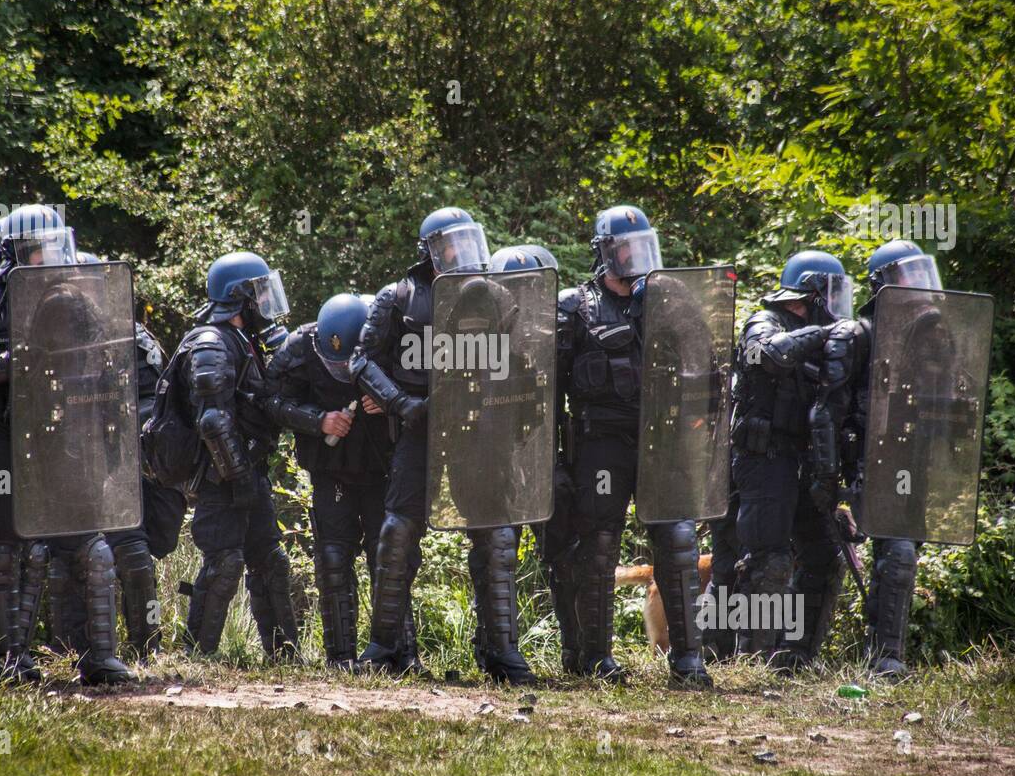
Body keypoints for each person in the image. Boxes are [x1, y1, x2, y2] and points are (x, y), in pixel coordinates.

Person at [0, 204, 132, 685]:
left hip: (65, 437)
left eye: (54, 248)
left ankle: (98, 657)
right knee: (3, 550)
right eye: (37, 251)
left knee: (91, 547)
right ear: (10, 256)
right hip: (4, 440)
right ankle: (9, 660)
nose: (49, 260)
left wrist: (110, 434)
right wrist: (10, 360)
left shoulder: (79, 303)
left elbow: (107, 369)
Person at [349, 208, 537, 685]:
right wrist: (400, 404)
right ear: (429, 250)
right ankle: (384, 645)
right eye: (450, 244)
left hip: (481, 431)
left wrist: (511, 421)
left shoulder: (497, 295)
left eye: (467, 241)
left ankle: (501, 651)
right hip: (419, 428)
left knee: (495, 536)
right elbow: (362, 361)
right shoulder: (399, 297)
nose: (461, 253)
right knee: (397, 531)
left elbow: (522, 366)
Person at [556, 205, 709, 687]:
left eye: (644, 246)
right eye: (627, 247)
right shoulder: (575, 307)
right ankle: (596, 658)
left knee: (678, 542)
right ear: (605, 253)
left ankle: (687, 660)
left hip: (662, 442)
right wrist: (554, 463)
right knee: (598, 546)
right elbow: (548, 389)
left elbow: (707, 366)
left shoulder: (674, 302)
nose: (636, 256)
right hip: (601, 443)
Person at [265, 293, 422, 670]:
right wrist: (318, 420)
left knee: (389, 559)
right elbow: (269, 400)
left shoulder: (390, 336)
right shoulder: (300, 347)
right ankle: (340, 657)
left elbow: (423, 398)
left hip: (381, 470)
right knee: (333, 558)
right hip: (331, 470)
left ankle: (400, 655)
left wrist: (388, 402)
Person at [177, 252, 312, 659]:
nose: (265, 302)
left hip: (247, 474)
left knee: (270, 561)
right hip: (223, 479)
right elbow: (213, 424)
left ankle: (284, 654)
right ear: (239, 298)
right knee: (225, 563)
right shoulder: (211, 343)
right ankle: (197, 655)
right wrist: (236, 477)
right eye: (259, 293)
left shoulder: (244, 340)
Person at [728, 249, 853, 664]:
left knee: (823, 557)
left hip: (805, 464)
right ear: (812, 294)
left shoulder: (829, 339)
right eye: (831, 295)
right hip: (763, 461)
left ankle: (796, 655)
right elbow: (769, 354)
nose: (837, 306)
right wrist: (826, 334)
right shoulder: (764, 322)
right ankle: (753, 657)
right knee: (769, 561)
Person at [68, 251, 186, 662]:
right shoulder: (51, 334)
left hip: (119, 461)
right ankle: (70, 647)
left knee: (135, 553)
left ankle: (146, 647)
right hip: (63, 462)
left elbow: (156, 405)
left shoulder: (133, 338)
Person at [846, 240, 945, 679]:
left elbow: (950, 396)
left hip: (915, 458)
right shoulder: (863, 334)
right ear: (881, 285)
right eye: (906, 277)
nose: (917, 286)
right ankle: (882, 657)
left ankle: (886, 655)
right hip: (873, 459)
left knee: (903, 556)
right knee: (896, 550)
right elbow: (835, 407)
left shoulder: (937, 337)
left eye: (919, 273)